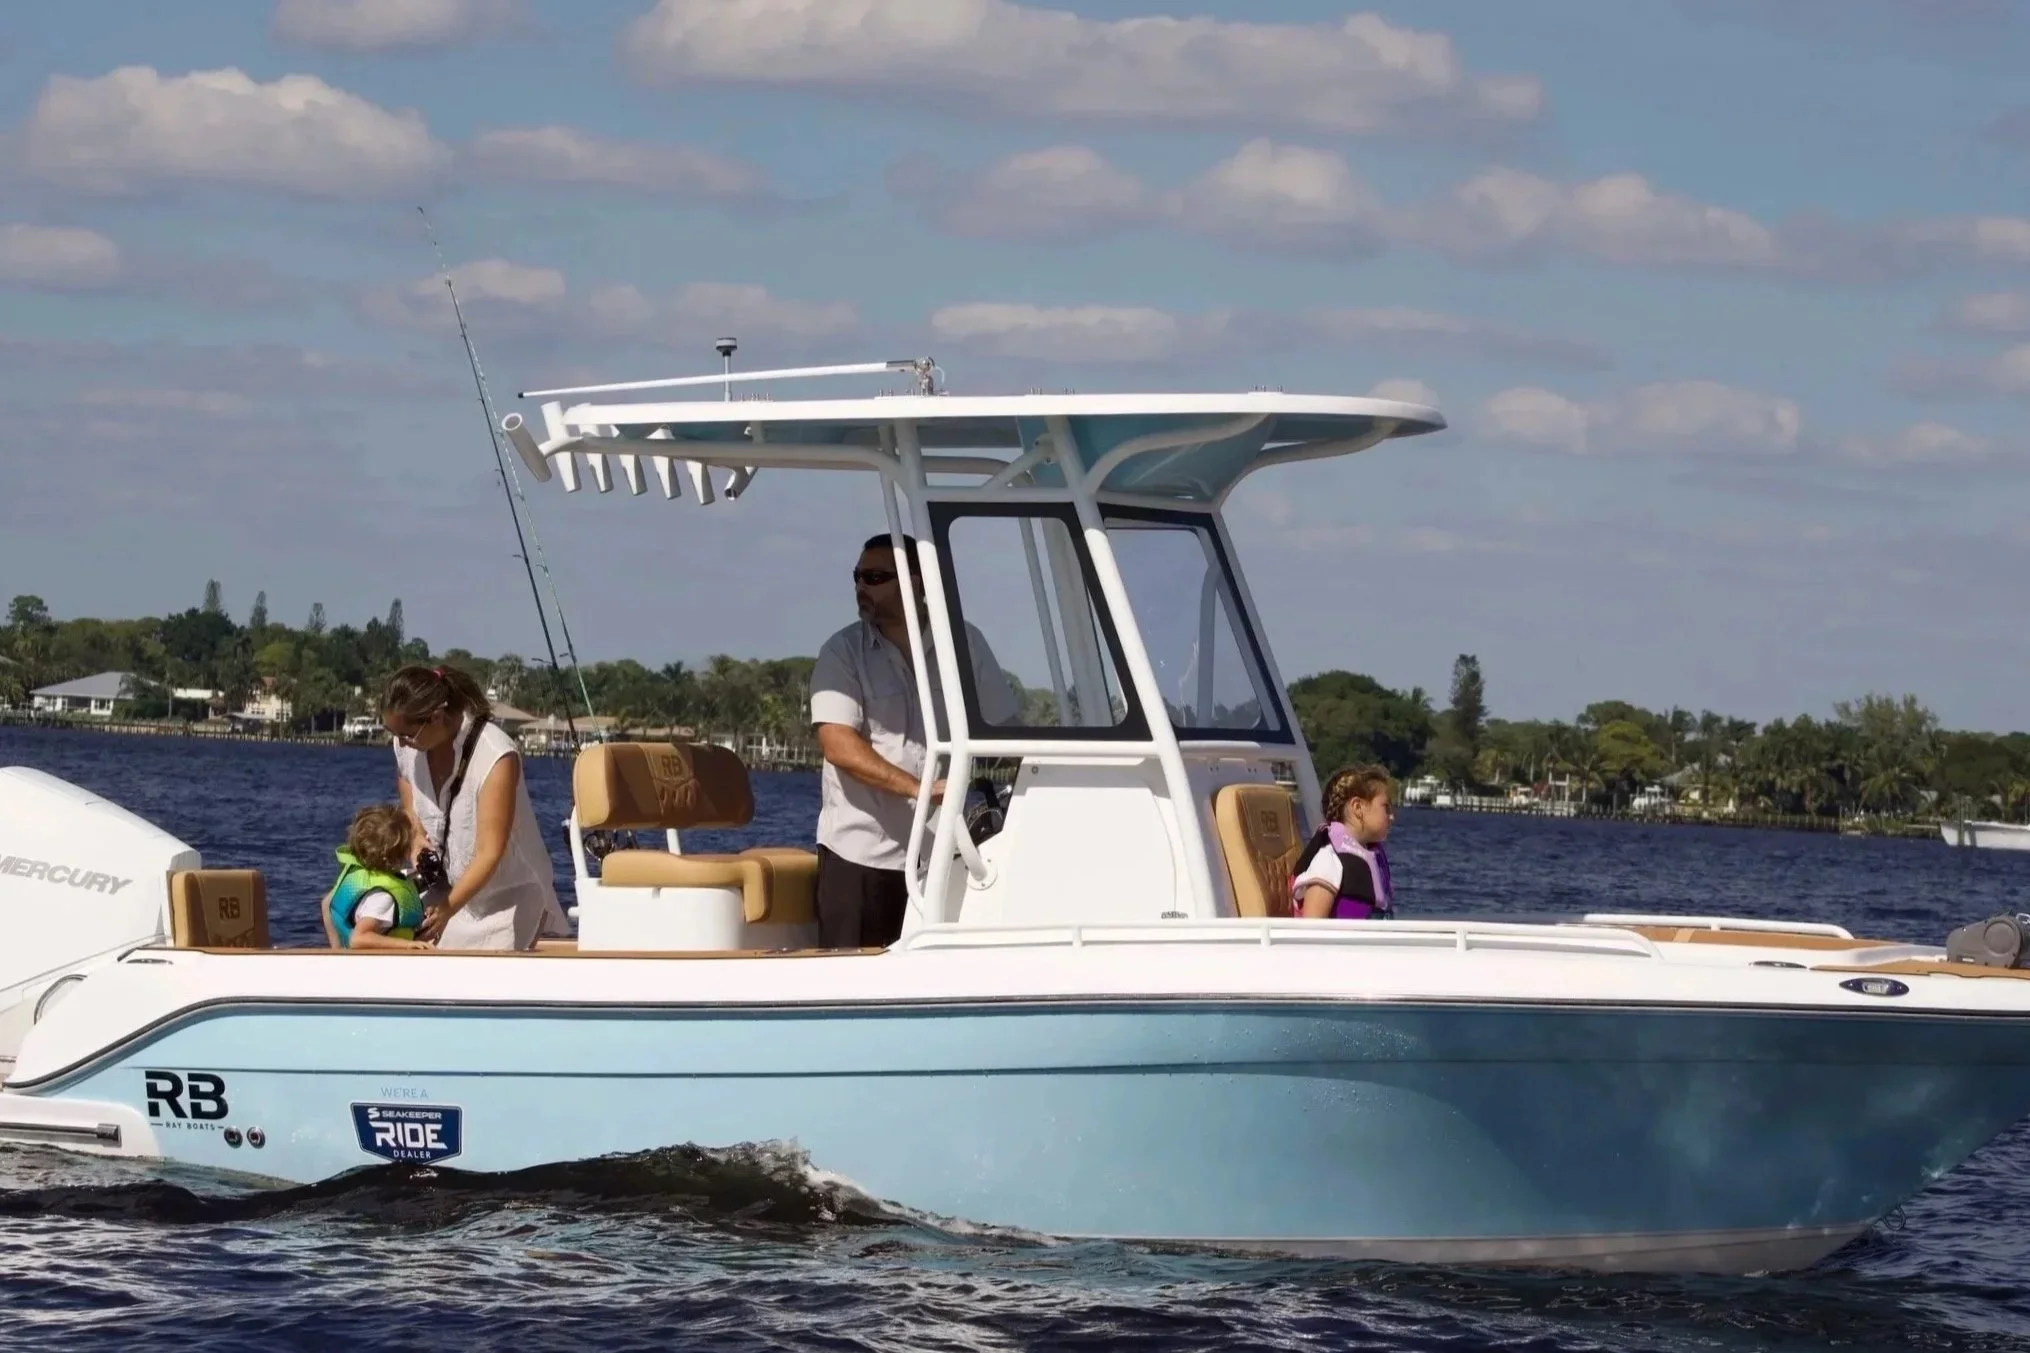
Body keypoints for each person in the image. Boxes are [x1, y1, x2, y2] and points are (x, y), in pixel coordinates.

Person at [809, 532, 1018, 949]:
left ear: (915, 583)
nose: (860, 588)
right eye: (857, 576)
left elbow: (1004, 733)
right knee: (850, 992)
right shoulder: (842, 652)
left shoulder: (965, 645)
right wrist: (923, 791)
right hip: (858, 858)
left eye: (874, 577)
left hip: (940, 859)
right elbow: (838, 745)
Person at [382, 664, 568, 950]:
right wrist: (416, 836)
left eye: (407, 735)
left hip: (507, 900)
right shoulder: (407, 745)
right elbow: (406, 782)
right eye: (395, 735)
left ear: (436, 717)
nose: (401, 744)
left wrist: (446, 909)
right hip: (444, 891)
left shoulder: (496, 755)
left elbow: (489, 853)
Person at [320, 803, 432, 951]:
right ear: (404, 853)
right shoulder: (383, 898)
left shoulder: (359, 878)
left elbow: (326, 904)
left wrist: (337, 950)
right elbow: (359, 939)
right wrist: (408, 945)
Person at [1292, 765, 1397, 920]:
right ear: (1357, 807)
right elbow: (1312, 926)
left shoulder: (1372, 857)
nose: (1392, 816)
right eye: (1386, 808)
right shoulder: (1329, 860)